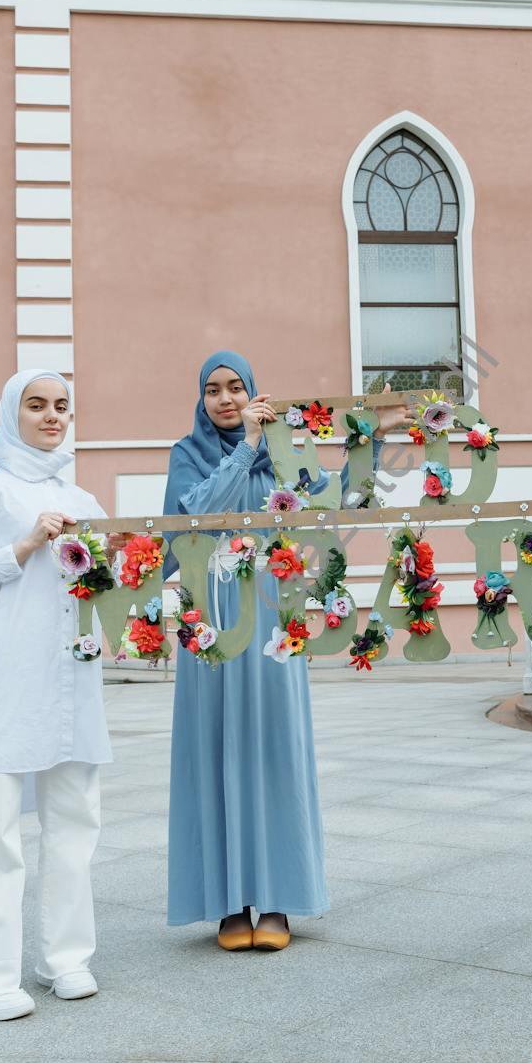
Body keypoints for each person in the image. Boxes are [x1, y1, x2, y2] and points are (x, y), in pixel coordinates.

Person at [161, 351, 399, 950]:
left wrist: (371, 441)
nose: (225, 399)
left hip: (271, 609)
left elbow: (340, 500)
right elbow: (197, 517)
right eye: (213, 389)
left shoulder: (286, 456)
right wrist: (245, 445)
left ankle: (278, 901)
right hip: (211, 611)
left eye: (236, 387)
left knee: (273, 745)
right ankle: (226, 904)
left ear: (254, 392)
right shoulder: (187, 456)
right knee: (213, 747)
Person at [0, 369, 111, 1020]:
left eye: (62, 405)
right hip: (2, 678)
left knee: (75, 820)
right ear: (14, 412)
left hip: (70, 675)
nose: (51, 416)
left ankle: (66, 956)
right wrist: (27, 542)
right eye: (37, 405)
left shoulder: (85, 498)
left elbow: (106, 583)